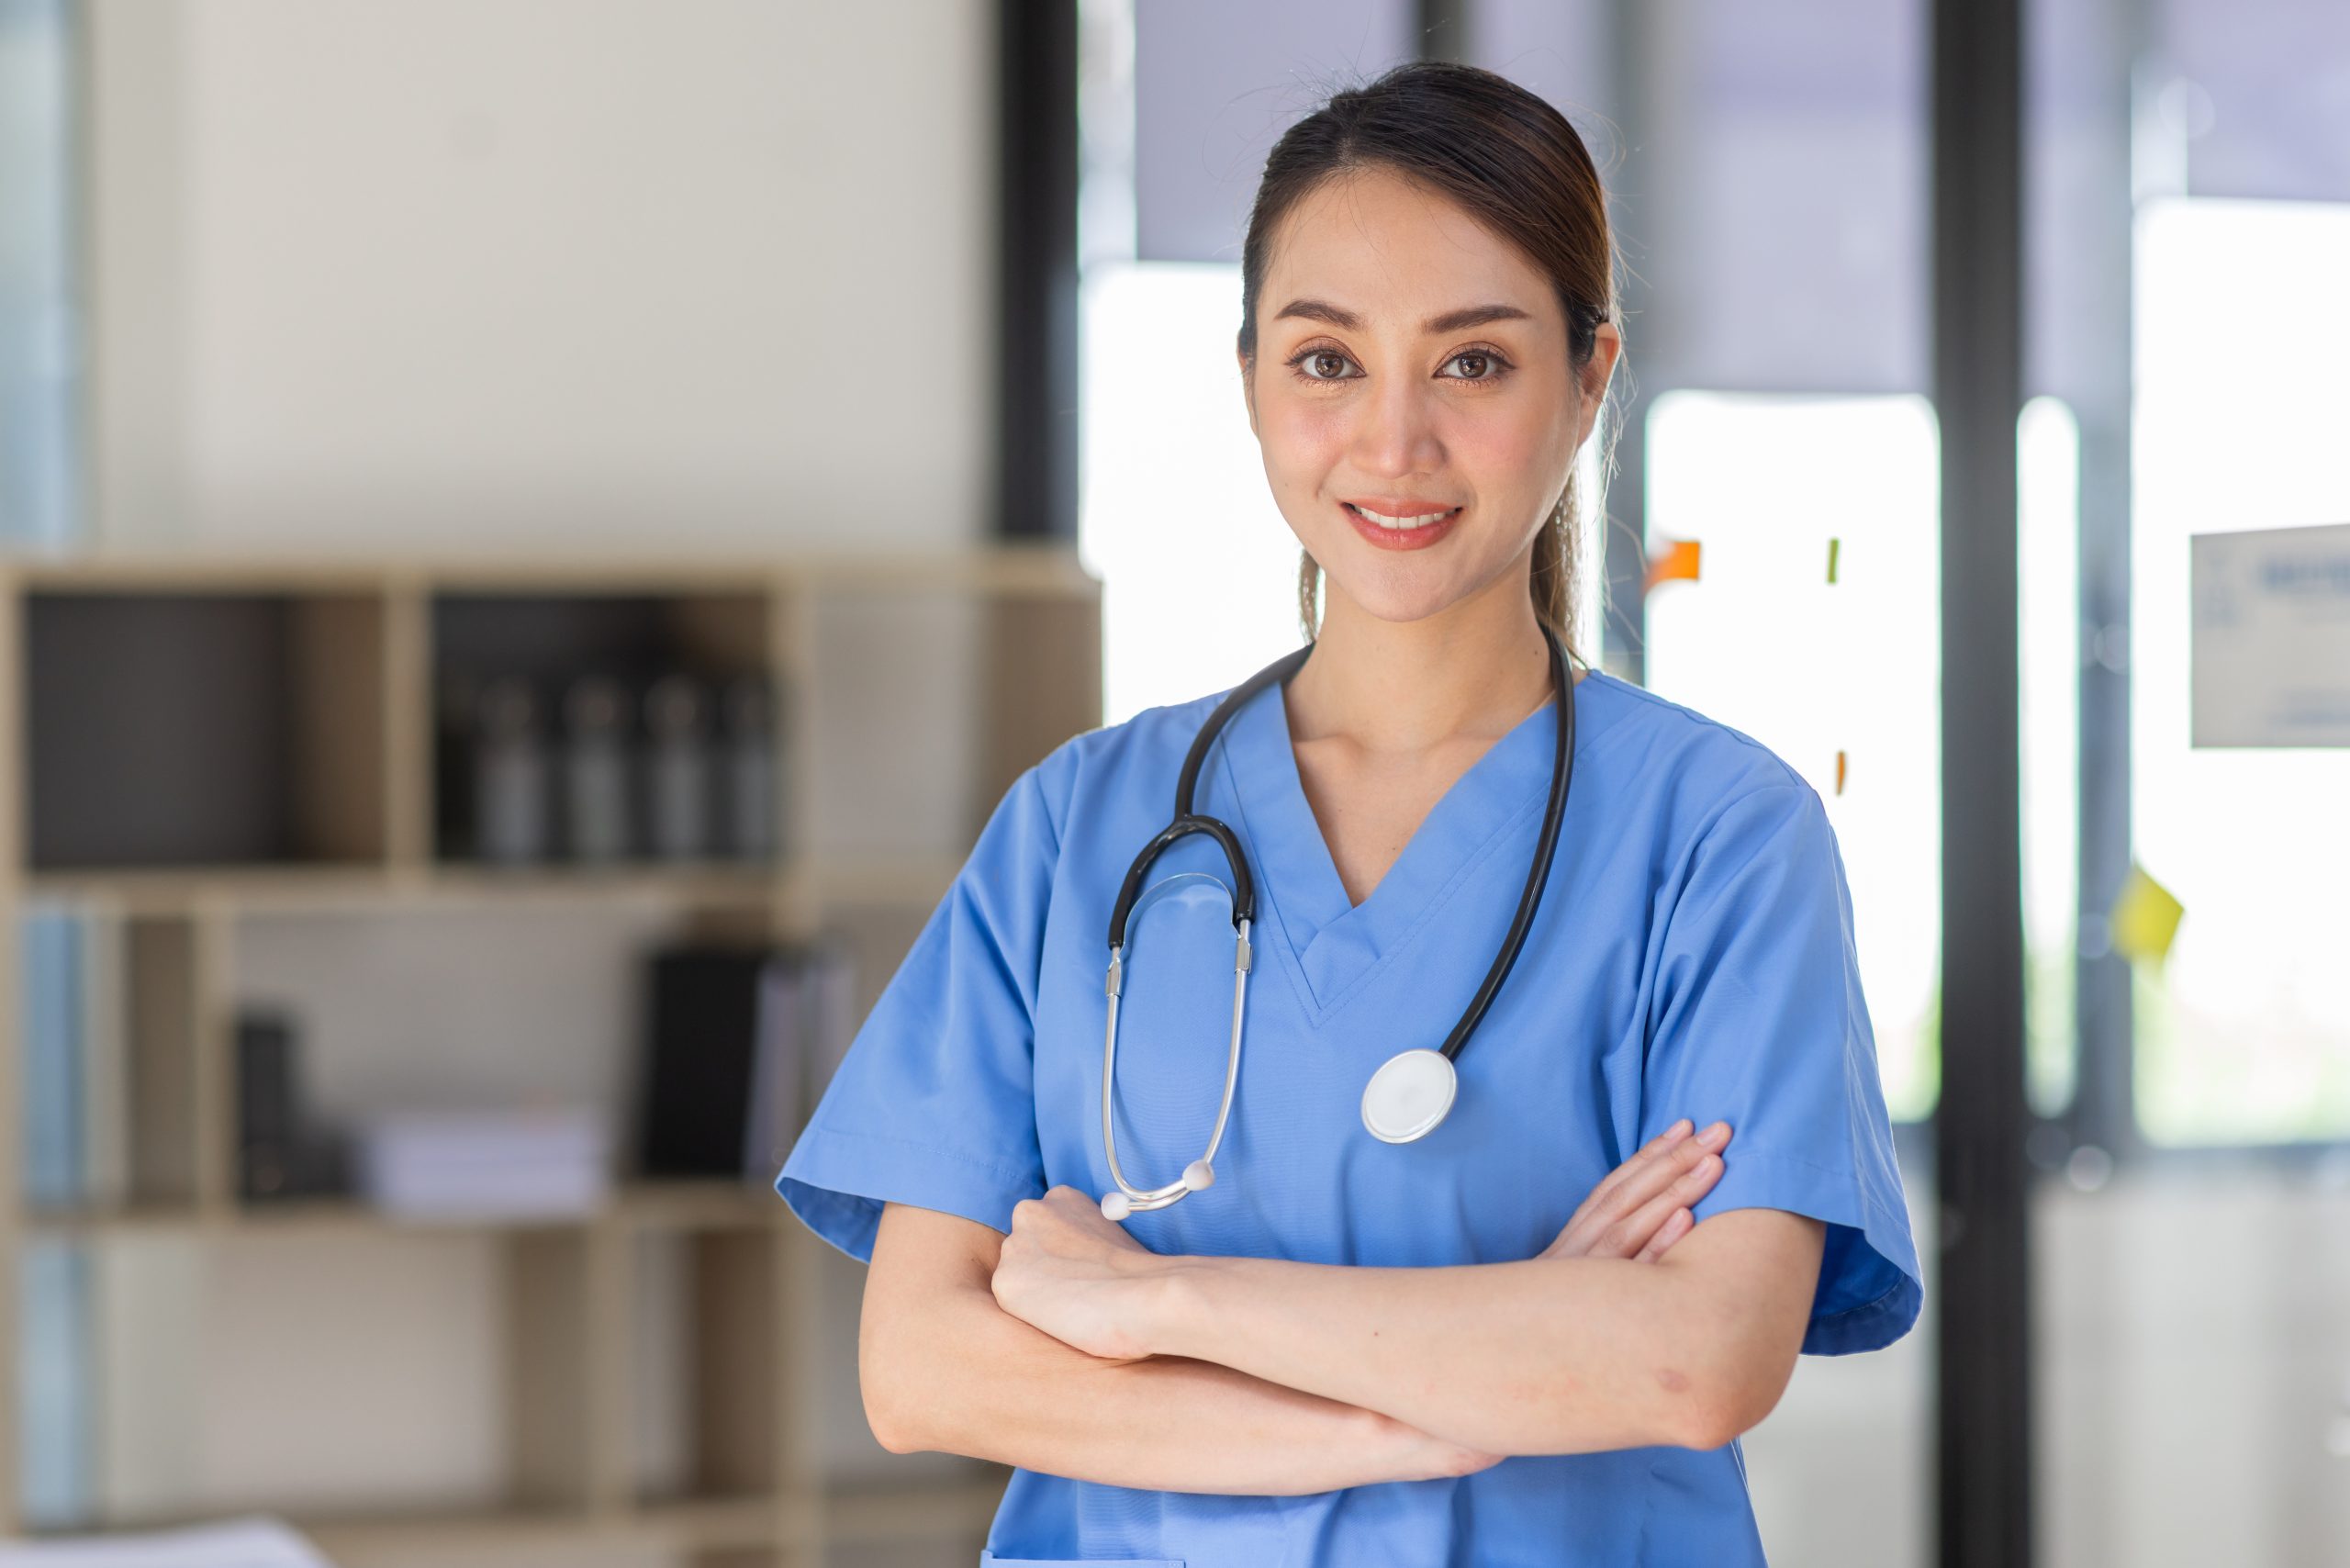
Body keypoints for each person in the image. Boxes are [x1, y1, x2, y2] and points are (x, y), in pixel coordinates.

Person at [777, 58, 1922, 1568]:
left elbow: (1694, 1361)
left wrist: (1159, 1302)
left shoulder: (1718, 838)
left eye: (1472, 363)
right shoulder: (1081, 828)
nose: (1393, 442)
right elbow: (921, 1370)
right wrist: (1442, 1412)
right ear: (1250, 377)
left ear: (1589, 381)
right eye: (1328, 361)